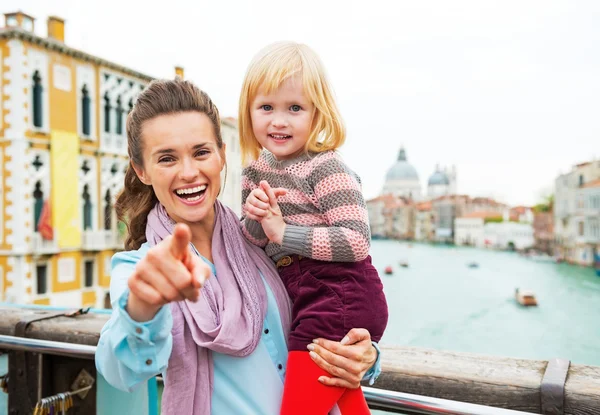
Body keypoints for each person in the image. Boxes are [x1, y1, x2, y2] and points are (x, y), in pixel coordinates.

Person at [94, 78, 382, 415]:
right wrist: (144, 305)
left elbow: (328, 309)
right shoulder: (138, 268)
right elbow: (119, 370)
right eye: (167, 159)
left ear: (221, 156)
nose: (189, 172)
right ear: (142, 171)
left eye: (201, 152)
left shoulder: (266, 240)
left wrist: (367, 356)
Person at [239, 41, 389, 415]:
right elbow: (255, 240)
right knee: (345, 401)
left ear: (316, 114)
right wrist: (257, 219)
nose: (279, 120)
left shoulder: (326, 167)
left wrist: (282, 233)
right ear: (249, 112)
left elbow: (356, 240)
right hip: (308, 294)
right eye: (266, 107)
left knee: (300, 409)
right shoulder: (255, 172)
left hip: (339, 292)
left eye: (295, 108)